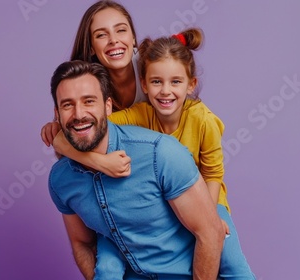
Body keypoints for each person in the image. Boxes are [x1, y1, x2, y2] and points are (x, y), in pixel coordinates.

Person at [49, 29, 255, 279]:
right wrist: (97, 160)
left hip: (210, 196)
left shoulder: (203, 121)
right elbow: (92, 126)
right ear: (144, 85)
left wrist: (210, 216)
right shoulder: (137, 115)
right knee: (107, 268)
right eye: (157, 82)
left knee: (232, 261)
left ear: (191, 84)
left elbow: (213, 172)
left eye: (176, 82)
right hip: (157, 210)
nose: (165, 91)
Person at [42, 0, 146, 143]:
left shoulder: (151, 64)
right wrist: (57, 133)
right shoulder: (84, 80)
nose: (113, 40)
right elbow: (73, 140)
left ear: (133, 38)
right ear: (91, 47)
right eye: (101, 35)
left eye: (121, 30)